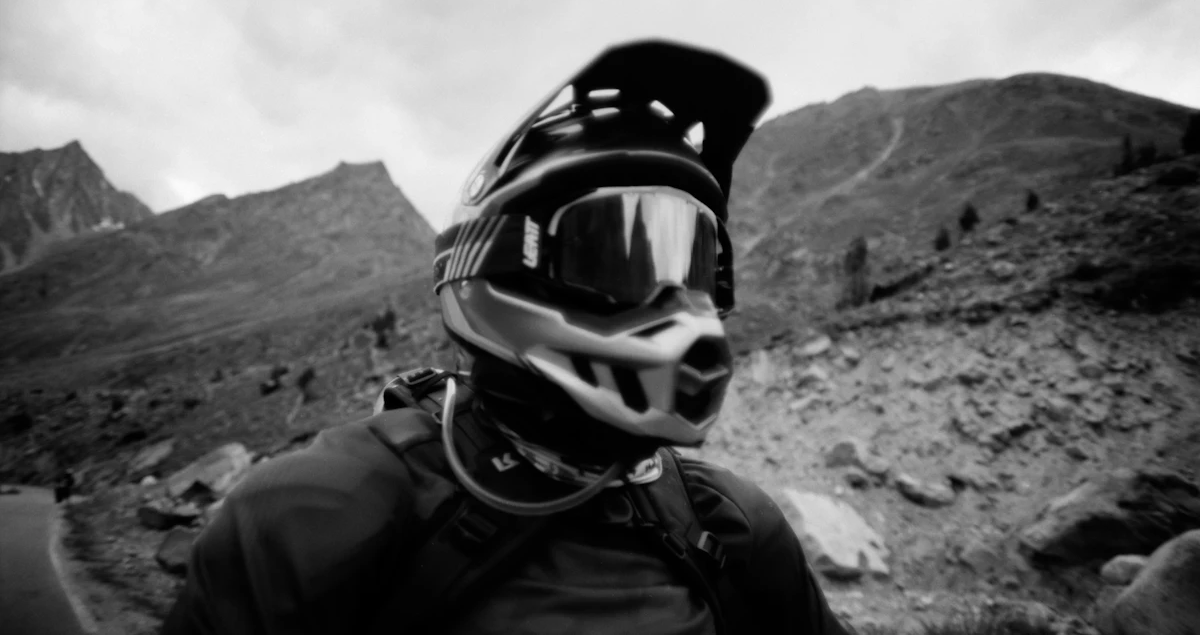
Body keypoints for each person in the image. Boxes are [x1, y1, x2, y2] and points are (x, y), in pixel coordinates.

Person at [162, 39, 850, 634]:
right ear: (504, 263)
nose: (679, 302)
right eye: (624, 251)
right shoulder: (320, 510)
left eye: (697, 263)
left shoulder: (733, 525)